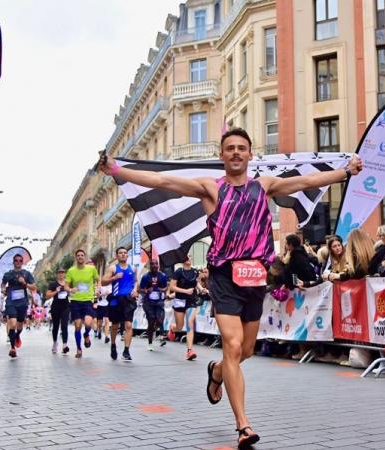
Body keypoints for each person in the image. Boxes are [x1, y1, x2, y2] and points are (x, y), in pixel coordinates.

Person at [99, 127, 362, 448]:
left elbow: (305, 182)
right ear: (222, 155)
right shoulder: (210, 189)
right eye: (230, 148)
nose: (236, 152)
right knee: (233, 344)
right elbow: (162, 182)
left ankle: (217, 372)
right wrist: (115, 169)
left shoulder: (263, 186)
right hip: (223, 277)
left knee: (246, 350)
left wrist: (344, 172)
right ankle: (243, 426)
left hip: (254, 278)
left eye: (242, 148)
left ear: (250, 155)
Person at [102, 247, 137, 361]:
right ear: (117, 256)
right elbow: (103, 281)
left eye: (125, 253)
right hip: (116, 299)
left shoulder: (133, 268)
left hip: (128, 300)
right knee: (115, 326)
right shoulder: (113, 268)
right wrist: (114, 277)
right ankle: (113, 345)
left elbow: (136, 281)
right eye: (120, 253)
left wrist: (135, 289)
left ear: (127, 255)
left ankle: (126, 351)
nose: (123, 255)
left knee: (128, 325)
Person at [65, 249, 100, 358]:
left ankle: (86, 335)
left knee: (89, 324)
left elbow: (98, 280)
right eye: (78, 255)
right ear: (76, 258)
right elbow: (66, 286)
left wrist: (98, 289)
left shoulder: (92, 269)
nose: (80, 257)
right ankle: (79, 349)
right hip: (75, 301)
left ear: (84, 257)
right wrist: (70, 290)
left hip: (88, 300)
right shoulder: (71, 271)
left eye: (82, 255)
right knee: (78, 325)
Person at [1, 254, 35, 358]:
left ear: (22, 262)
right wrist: (3, 289)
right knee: (13, 324)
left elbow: (34, 286)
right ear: (13, 262)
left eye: (20, 260)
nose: (18, 262)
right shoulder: (8, 274)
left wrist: (24, 283)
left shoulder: (26, 273)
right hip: (11, 302)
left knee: (19, 327)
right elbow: (3, 284)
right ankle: (12, 348)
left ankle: (17, 336)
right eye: (16, 260)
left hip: (22, 303)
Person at [168, 255, 199, 361]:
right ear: (182, 260)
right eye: (186, 257)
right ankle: (173, 328)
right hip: (179, 301)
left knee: (190, 323)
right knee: (180, 327)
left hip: (191, 301)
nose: (188, 258)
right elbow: (172, 287)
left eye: (190, 256)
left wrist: (202, 289)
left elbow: (196, 284)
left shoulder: (195, 272)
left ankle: (189, 351)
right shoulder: (178, 272)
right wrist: (185, 291)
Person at [139, 258, 168, 351]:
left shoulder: (162, 276)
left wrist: (163, 290)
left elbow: (166, 287)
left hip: (159, 301)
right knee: (151, 321)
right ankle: (150, 342)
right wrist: (146, 290)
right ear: (149, 266)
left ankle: (156, 329)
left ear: (158, 265)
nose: (154, 265)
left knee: (160, 320)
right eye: (152, 264)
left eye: (156, 264)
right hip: (148, 302)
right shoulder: (145, 277)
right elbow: (140, 289)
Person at [46, 268, 70, 354]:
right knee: (55, 326)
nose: (61, 274)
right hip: (55, 307)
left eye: (62, 272)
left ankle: (64, 345)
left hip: (65, 307)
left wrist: (70, 291)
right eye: (59, 272)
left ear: (65, 274)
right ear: (57, 274)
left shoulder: (68, 283)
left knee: (64, 325)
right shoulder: (53, 284)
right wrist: (56, 291)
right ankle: (55, 343)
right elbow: (47, 295)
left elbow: (72, 292)